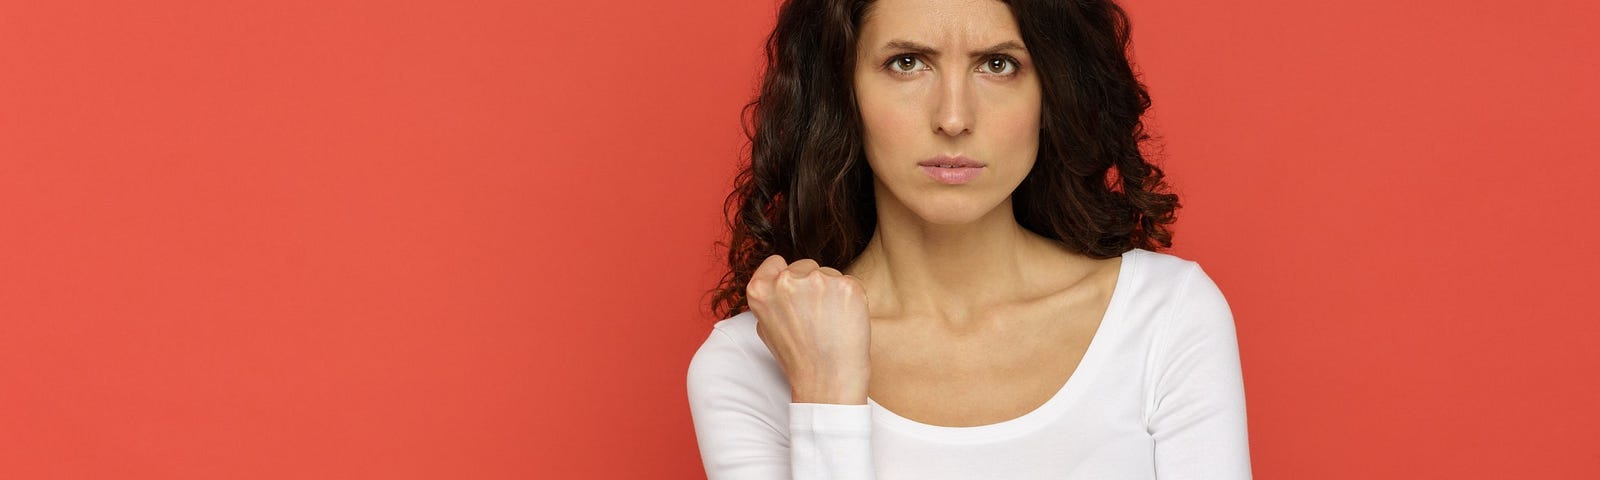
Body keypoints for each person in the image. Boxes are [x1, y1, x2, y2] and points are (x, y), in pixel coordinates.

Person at [687, 0, 1251, 478]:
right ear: (842, 91)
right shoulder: (747, 364)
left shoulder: (1165, 318)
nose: (954, 118)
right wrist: (826, 394)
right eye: (907, 63)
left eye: (998, 64)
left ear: (1051, 91)